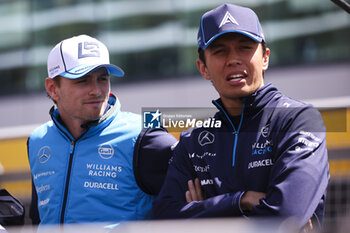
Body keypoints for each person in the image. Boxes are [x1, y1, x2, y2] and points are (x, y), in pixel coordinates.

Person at [153, 3, 329, 230]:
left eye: (245, 47)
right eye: (219, 51)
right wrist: (240, 200)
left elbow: (285, 217)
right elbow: (163, 221)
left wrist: (203, 212)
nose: (233, 59)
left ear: (265, 57)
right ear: (203, 68)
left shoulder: (299, 120)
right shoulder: (191, 143)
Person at [27, 34, 177, 225]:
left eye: (103, 79)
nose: (96, 91)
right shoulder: (37, 140)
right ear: (52, 88)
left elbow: (190, 210)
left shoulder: (145, 137)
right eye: (83, 80)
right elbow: (38, 218)